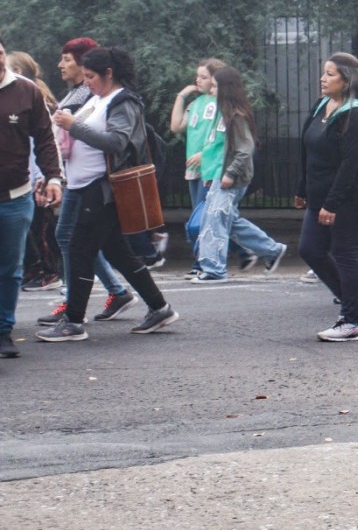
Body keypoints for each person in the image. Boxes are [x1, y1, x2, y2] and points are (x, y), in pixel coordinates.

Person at [40, 47, 177, 341]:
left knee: (79, 249)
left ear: (109, 73)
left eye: (91, 76)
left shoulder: (123, 101)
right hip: (85, 187)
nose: (86, 82)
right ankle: (159, 307)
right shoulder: (98, 99)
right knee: (117, 252)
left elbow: (117, 142)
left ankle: (73, 321)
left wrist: (73, 126)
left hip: (102, 190)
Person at [295, 53, 358, 341]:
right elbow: (308, 149)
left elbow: (351, 164)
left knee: (345, 253)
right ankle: (355, 301)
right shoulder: (322, 105)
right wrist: (302, 189)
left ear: (347, 80)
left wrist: (332, 203)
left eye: (330, 74)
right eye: (324, 72)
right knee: (310, 249)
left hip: (350, 196)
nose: (323, 78)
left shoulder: (357, 113)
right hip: (320, 194)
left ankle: (351, 322)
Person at [192, 66, 288, 282]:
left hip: (230, 178)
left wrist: (229, 174)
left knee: (215, 221)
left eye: (215, 86)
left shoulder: (236, 115)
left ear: (225, 89)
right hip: (220, 175)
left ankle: (214, 270)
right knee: (228, 220)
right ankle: (272, 250)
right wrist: (211, 173)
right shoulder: (223, 113)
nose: (211, 90)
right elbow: (216, 149)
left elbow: (245, 149)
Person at [0, 39, 64, 356]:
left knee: (10, 269)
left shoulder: (27, 91)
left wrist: (53, 177)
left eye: (0, 53)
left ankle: (3, 331)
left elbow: (45, 138)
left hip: (15, 197)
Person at [170, 58, 236, 277]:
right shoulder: (196, 103)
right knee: (201, 216)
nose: (198, 80)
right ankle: (241, 251)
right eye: (197, 76)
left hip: (211, 167)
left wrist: (204, 154)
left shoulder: (222, 104)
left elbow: (221, 137)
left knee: (204, 219)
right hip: (194, 168)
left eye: (204, 77)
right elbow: (176, 126)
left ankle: (203, 263)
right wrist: (181, 96)